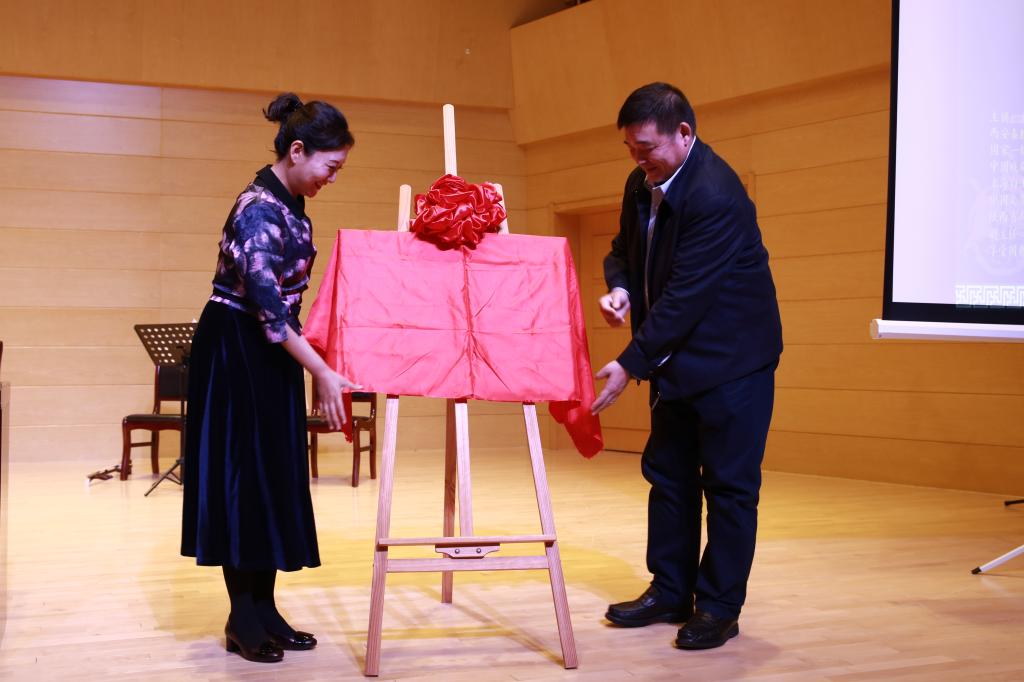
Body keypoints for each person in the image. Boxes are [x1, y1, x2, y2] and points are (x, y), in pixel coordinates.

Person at [592, 82, 782, 650]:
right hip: (676, 360)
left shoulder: (716, 193)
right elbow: (623, 251)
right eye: (631, 149)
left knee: (728, 487)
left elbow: (687, 296)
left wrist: (630, 363)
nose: (638, 159)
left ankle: (719, 607)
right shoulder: (641, 182)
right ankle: (671, 590)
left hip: (733, 363)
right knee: (669, 477)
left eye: (647, 148)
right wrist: (622, 289)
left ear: (683, 133)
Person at [181, 93, 359, 663]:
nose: (333, 178)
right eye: (331, 166)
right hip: (236, 347)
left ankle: (265, 608)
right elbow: (268, 308)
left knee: (271, 477)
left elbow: (284, 311)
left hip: (270, 349)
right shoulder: (258, 209)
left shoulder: (291, 203)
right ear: (297, 150)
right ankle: (242, 617)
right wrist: (322, 370)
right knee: (242, 478)